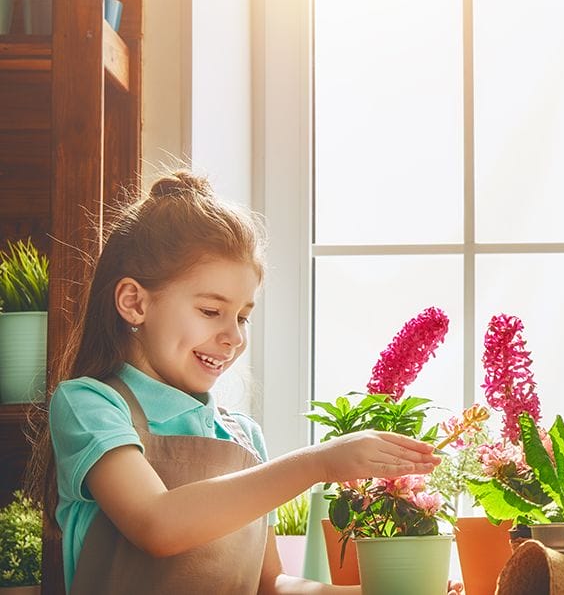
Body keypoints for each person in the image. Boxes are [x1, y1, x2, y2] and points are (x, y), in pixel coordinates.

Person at [27, 172, 460, 594]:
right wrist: (319, 463)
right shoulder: (91, 404)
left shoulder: (242, 436)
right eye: (211, 311)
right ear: (134, 302)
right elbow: (157, 525)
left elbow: (270, 583)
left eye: (243, 316)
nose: (233, 337)